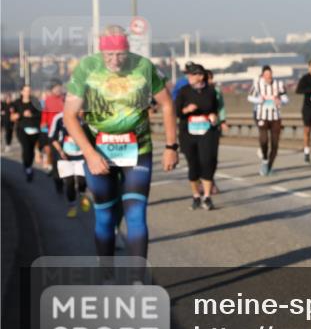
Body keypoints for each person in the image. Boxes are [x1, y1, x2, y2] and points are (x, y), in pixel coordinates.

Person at [62, 25, 179, 259]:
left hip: (138, 148)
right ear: (101, 52)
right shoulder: (86, 69)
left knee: (136, 214)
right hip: (98, 150)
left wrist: (171, 146)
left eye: (120, 55)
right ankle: (106, 273)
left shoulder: (143, 67)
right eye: (109, 55)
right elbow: (69, 116)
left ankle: (137, 281)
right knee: (105, 215)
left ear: (128, 50)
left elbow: (166, 104)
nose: (115, 61)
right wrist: (90, 154)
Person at [174, 64, 222, 210]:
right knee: (193, 165)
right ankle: (196, 196)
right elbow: (177, 111)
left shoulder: (211, 91)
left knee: (207, 162)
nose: (188, 77)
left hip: (207, 132)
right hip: (188, 133)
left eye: (191, 75)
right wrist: (186, 110)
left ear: (200, 76)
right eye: (187, 75)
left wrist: (214, 116)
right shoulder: (184, 91)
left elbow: (214, 109)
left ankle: (207, 197)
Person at [49, 111, 91, 218]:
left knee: (82, 180)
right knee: (69, 182)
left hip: (81, 155)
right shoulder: (59, 118)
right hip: (64, 156)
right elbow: (52, 137)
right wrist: (60, 151)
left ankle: (82, 195)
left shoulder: (84, 117)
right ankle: (72, 206)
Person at [248, 65, 288, 176]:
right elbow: (249, 97)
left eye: (270, 75)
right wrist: (258, 100)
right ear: (263, 75)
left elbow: (286, 98)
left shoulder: (279, 84)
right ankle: (265, 160)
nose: (268, 77)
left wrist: (280, 100)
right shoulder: (257, 84)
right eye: (266, 75)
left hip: (275, 116)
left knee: (275, 144)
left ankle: (269, 167)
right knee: (264, 140)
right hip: (261, 115)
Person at [10, 85, 42, 182]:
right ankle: (27, 168)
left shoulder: (35, 102)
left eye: (29, 90)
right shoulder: (16, 103)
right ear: (22, 92)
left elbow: (41, 114)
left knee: (31, 150)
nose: (28, 92)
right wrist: (19, 115)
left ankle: (28, 166)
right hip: (22, 129)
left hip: (35, 130)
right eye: (26, 90)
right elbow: (12, 117)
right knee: (26, 148)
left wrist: (32, 114)